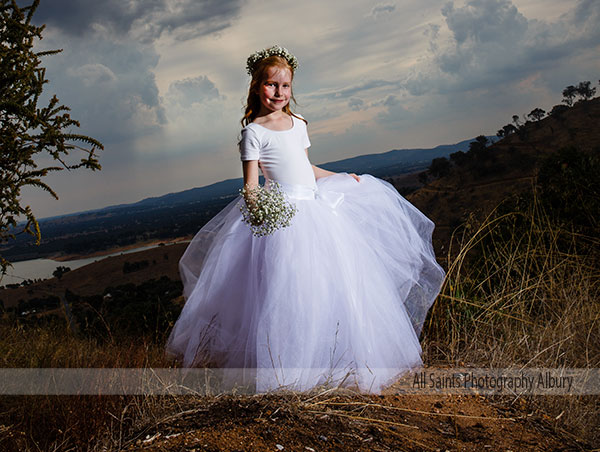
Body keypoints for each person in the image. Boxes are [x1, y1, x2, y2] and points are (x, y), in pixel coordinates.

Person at [166, 46, 444, 393]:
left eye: (285, 87)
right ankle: (286, 373)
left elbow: (306, 167)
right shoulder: (254, 132)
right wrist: (260, 213)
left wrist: (341, 176)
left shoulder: (298, 124)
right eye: (271, 85)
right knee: (286, 292)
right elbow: (251, 186)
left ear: (292, 89)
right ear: (257, 87)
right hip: (281, 218)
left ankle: (335, 362)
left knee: (329, 287)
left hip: (315, 210)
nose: (278, 93)